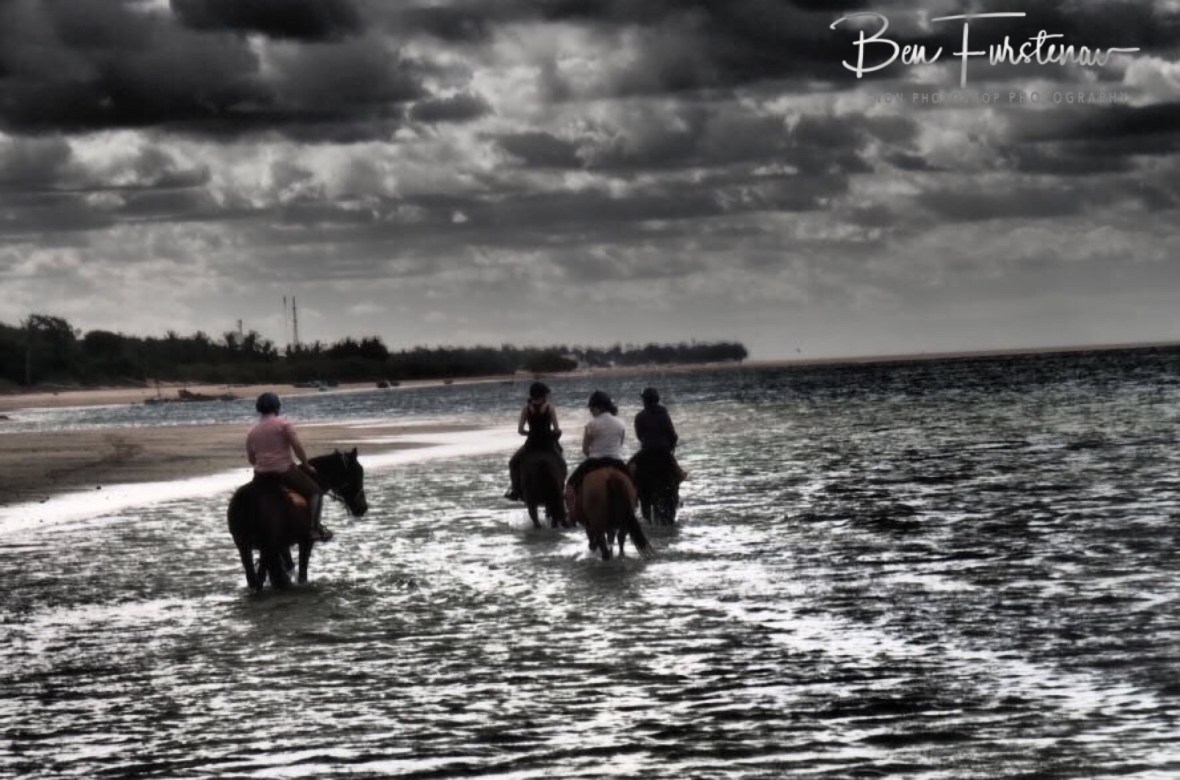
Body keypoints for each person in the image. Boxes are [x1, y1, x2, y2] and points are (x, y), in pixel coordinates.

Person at [246, 392, 332, 542]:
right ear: (277, 407)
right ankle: (314, 529)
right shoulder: (284, 424)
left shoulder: (252, 431)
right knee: (315, 492)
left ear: (259, 409)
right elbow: (297, 447)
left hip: (260, 475)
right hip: (284, 471)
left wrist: (264, 464)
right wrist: (306, 465)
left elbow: (252, 459)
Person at [564, 390, 631, 520]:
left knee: (569, 486)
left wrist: (594, 454)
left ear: (598, 407)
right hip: (616, 461)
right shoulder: (621, 423)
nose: (591, 412)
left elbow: (585, 449)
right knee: (633, 483)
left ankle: (571, 516)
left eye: (591, 408)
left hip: (594, 461)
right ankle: (634, 506)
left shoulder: (591, 424)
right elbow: (620, 445)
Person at [504, 381, 562, 501]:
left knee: (513, 463)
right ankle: (562, 488)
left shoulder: (526, 409)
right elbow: (556, 429)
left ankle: (515, 490)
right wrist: (552, 433)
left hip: (531, 445)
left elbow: (520, 430)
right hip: (547, 445)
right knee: (561, 463)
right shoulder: (550, 408)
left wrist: (531, 434)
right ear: (543, 395)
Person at [633, 386, 687, 482]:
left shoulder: (639, 416)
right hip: (664, 451)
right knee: (679, 474)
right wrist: (672, 446)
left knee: (630, 470)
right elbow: (672, 433)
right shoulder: (663, 413)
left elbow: (639, 436)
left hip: (647, 451)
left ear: (645, 400)